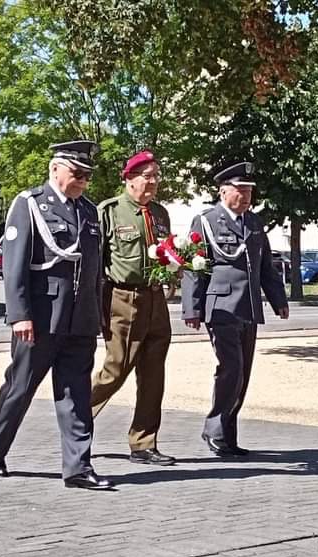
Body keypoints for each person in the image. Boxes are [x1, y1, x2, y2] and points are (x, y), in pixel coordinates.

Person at [0, 140, 113, 490]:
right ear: (55, 169)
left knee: (77, 394)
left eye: (87, 175)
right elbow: (15, 266)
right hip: (40, 319)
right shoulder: (30, 205)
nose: (83, 180)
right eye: (77, 173)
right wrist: (19, 314)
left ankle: (78, 467)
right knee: (20, 388)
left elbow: (94, 270)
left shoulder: (88, 211)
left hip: (78, 319)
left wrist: (97, 315)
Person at [181, 162, 289, 457]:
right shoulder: (206, 221)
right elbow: (193, 267)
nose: (245, 197)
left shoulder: (253, 223)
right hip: (221, 307)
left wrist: (278, 299)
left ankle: (227, 435)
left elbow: (266, 265)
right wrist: (191, 307)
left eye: (249, 191)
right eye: (240, 190)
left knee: (243, 373)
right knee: (231, 368)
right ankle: (214, 429)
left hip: (249, 306)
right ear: (223, 191)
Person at [90, 150, 176, 466]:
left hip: (155, 300)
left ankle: (143, 443)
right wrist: (96, 309)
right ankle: (76, 426)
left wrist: (175, 268)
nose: (153, 182)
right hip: (122, 300)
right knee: (115, 370)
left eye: (156, 175)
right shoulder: (109, 212)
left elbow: (166, 252)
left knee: (154, 375)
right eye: (147, 176)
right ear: (129, 179)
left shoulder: (160, 213)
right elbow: (95, 264)